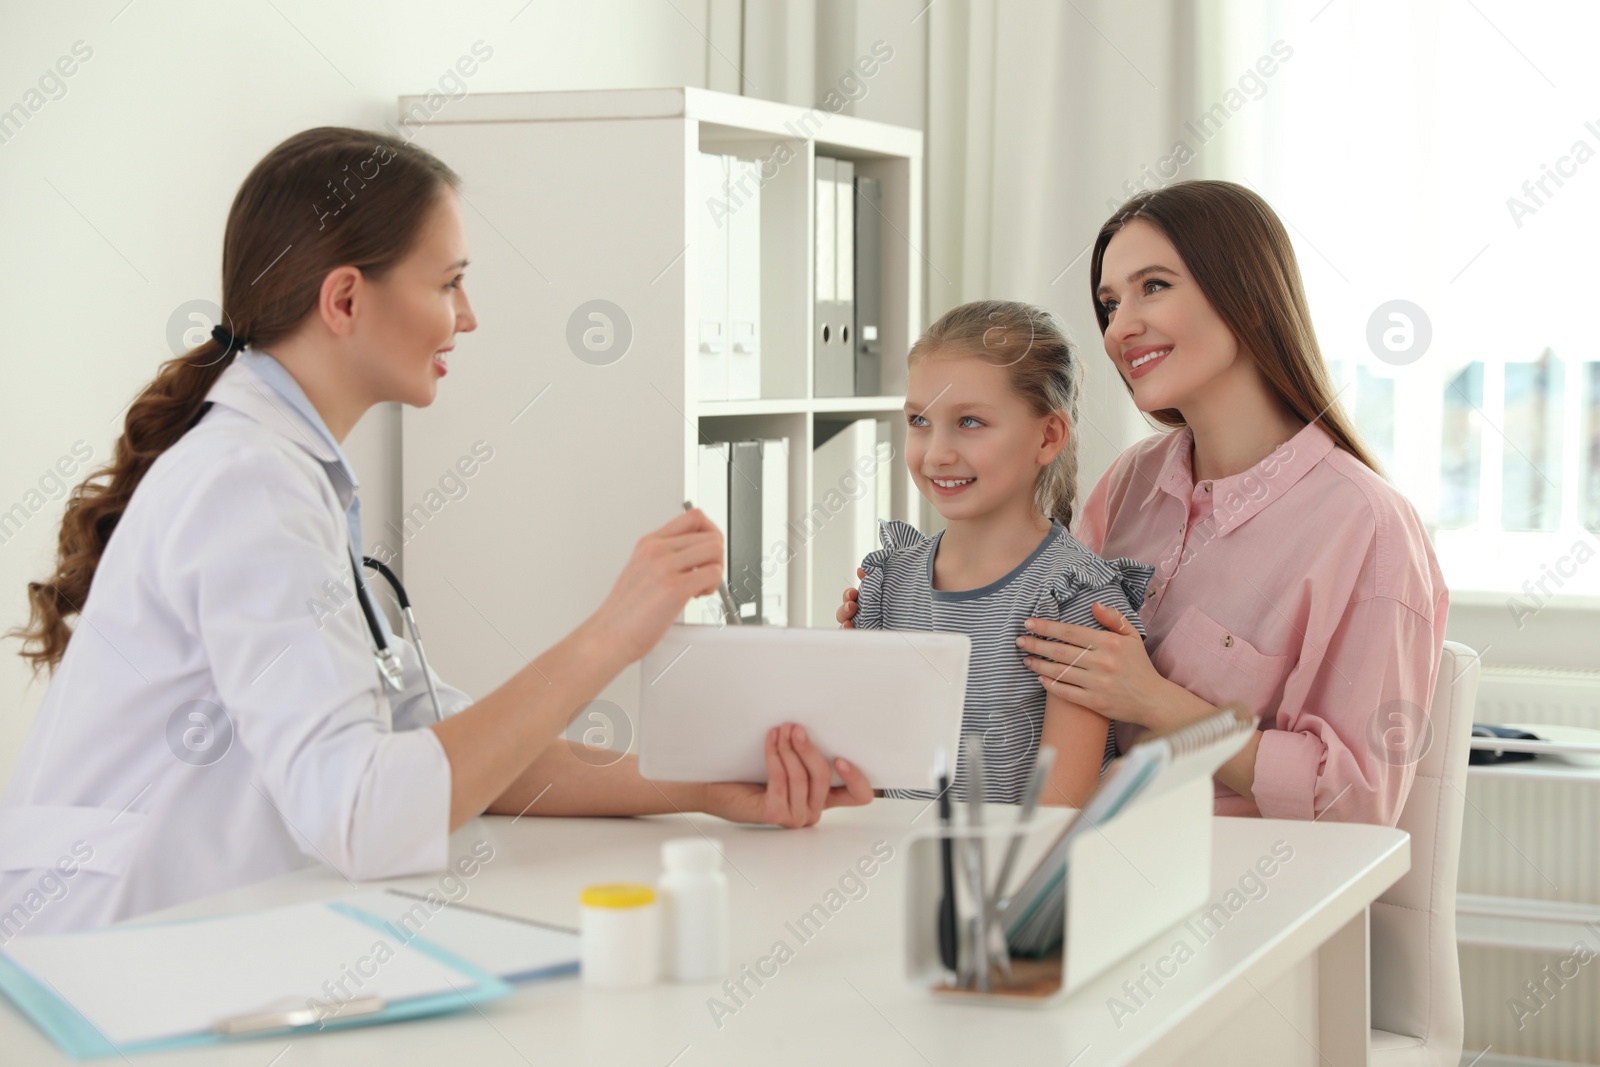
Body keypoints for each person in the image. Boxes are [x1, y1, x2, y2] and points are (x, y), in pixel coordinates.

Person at [0, 127, 870, 936]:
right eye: (449, 281)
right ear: (346, 297)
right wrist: (612, 635)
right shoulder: (250, 484)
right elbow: (365, 815)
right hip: (103, 960)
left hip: (170, 950)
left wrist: (710, 787)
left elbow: (463, 757)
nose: (470, 314)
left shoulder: (284, 473)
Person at [845, 181, 1446, 826]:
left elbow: (1358, 802)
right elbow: (1035, 658)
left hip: (1239, 888)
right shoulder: (1132, 483)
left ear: (1244, 294)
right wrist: (914, 628)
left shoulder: (1366, 527)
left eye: (1152, 286)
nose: (1119, 327)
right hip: (1084, 861)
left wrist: (1157, 701)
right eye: (1109, 302)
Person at [848, 301, 1153, 808]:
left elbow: (1055, 817)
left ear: (1048, 436)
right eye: (919, 420)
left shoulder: (1074, 599)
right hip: (890, 873)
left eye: (969, 422)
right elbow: (866, 778)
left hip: (1013, 880)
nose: (937, 451)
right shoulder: (887, 585)